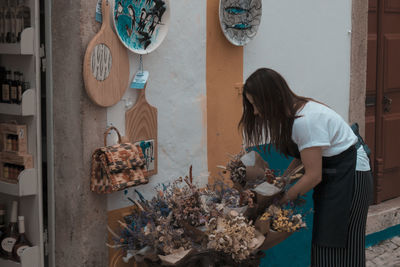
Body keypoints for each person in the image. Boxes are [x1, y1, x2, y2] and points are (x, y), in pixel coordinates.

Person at [239, 68, 373, 267]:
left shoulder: (306, 121)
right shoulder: (295, 113)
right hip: (336, 174)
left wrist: (279, 202)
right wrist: (282, 182)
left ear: (271, 98)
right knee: (326, 239)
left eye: (256, 104)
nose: (256, 112)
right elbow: (305, 157)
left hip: (351, 176)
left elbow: (313, 176)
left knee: (342, 241)